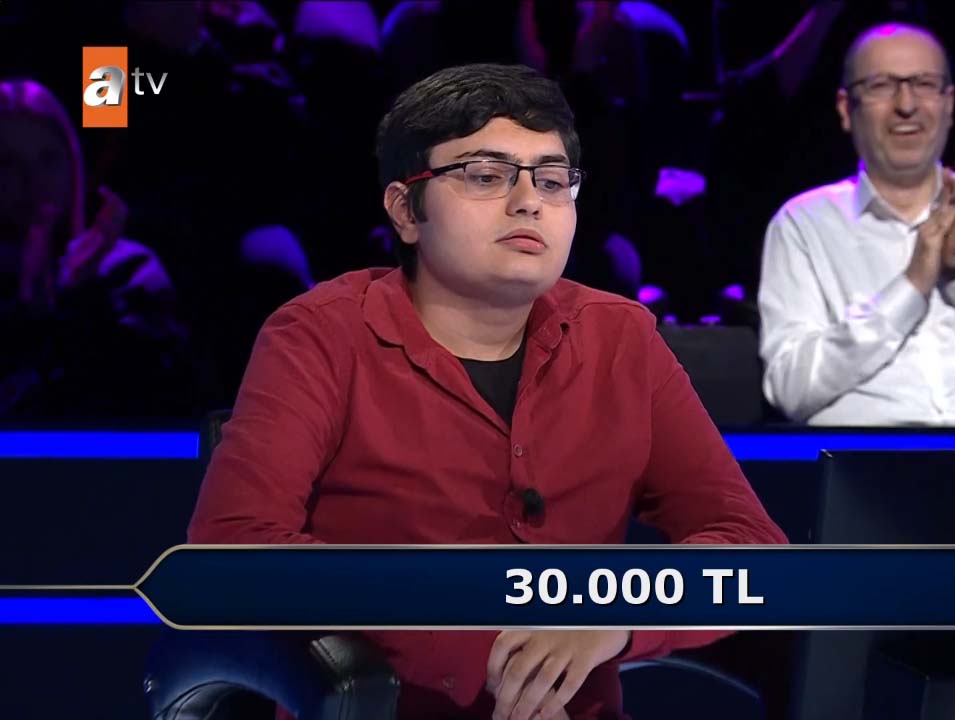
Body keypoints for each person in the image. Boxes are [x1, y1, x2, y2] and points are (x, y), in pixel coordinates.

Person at [187, 63, 787, 720]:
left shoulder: (622, 338)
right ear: (406, 210)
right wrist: (483, 644)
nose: (529, 201)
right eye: (485, 175)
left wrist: (617, 615)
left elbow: (752, 548)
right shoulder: (320, 335)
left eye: (552, 181)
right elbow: (235, 546)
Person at [757, 24, 955, 427]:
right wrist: (910, 287)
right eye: (881, 86)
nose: (906, 105)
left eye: (924, 84)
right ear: (846, 109)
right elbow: (790, 389)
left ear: (949, 104)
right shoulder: (804, 224)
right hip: (870, 453)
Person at [0, 78, 189, 420]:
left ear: (72, 163)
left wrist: (81, 295)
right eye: (7, 162)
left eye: (47, 158)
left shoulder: (129, 271)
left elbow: (153, 402)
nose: (32, 180)